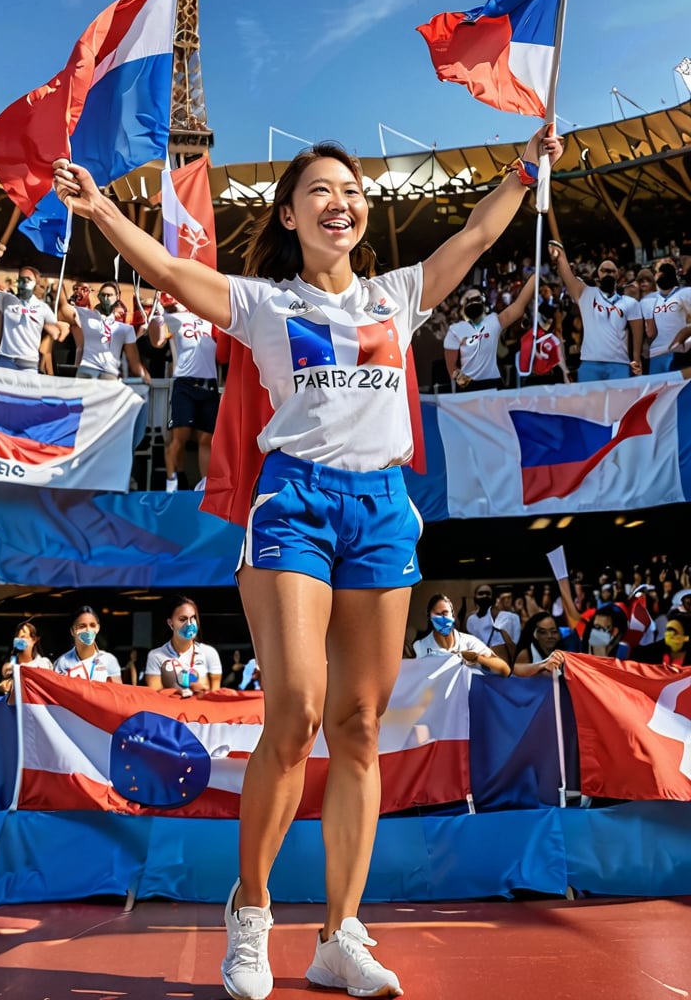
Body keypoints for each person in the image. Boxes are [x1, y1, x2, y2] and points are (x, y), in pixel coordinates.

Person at [53, 125, 562, 1000]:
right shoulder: (263, 304)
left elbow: (476, 234)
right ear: (289, 215)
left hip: (380, 512)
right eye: (322, 191)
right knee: (294, 712)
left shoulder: (397, 296)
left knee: (360, 727)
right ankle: (249, 917)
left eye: (353, 191)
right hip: (294, 504)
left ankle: (340, 937)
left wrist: (525, 169)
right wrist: (100, 209)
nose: (343, 202)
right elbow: (174, 276)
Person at [148, 294, 220, 491]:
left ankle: (205, 484)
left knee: (207, 439)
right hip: (185, 382)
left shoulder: (210, 318)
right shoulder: (174, 318)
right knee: (180, 437)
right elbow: (158, 341)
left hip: (209, 383)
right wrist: (157, 316)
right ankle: (171, 482)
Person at [548, 243, 643, 382]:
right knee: (590, 404)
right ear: (598, 274)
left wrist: (636, 359)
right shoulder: (585, 293)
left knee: (620, 404)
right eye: (604, 270)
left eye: (611, 271)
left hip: (619, 364)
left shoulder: (630, 302)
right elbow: (567, 275)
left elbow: (637, 332)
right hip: (589, 363)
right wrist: (559, 254)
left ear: (618, 274)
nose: (608, 273)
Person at [443, 272, 537, 392]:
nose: (473, 302)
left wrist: (535, 276)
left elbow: (519, 305)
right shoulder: (455, 330)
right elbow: (451, 366)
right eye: (469, 299)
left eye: (476, 299)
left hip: (493, 384)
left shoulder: (493, 321)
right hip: (469, 387)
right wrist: (463, 381)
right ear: (462, 304)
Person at [0, 242, 62, 370]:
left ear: (36, 283)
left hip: (28, 364)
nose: (23, 283)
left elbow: (56, 332)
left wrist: (59, 329)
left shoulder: (43, 308)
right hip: (5, 360)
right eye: (21, 279)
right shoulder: (7, 300)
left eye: (27, 280)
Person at [57, 280, 150, 382]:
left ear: (117, 297)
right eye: (103, 295)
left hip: (109, 372)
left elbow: (134, 360)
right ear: (99, 297)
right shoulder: (87, 316)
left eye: (109, 295)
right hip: (88, 370)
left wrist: (144, 376)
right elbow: (65, 310)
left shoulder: (125, 328)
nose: (106, 298)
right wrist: (68, 292)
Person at [412, 594, 510, 675]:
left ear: (453, 615)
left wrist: (477, 658)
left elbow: (504, 670)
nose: (442, 618)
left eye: (445, 613)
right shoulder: (420, 647)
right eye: (437, 614)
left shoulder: (469, 642)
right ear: (429, 616)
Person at [143, 596, 223, 694]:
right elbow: (155, 696)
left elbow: (216, 695)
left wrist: (203, 691)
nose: (189, 624)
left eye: (193, 618)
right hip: (170, 708)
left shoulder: (209, 652)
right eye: (182, 619)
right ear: (170, 623)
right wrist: (178, 692)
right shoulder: (155, 656)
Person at [642, 260, 691, 374]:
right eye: (659, 272)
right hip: (655, 354)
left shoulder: (686, 293)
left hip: (680, 353)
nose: (662, 275)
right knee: (659, 391)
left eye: (666, 272)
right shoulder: (646, 300)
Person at [53, 605, 122, 683]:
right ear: (72, 630)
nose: (88, 630)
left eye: (92, 625)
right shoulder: (62, 663)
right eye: (82, 626)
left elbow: (117, 692)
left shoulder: (108, 660)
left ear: (97, 628)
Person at [0, 619, 53, 695]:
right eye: (17, 637)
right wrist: (1, 688)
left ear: (34, 639)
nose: (19, 640)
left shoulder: (43, 664)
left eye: (23, 637)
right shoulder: (8, 667)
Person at [512, 611, 568, 677]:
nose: (549, 636)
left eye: (554, 631)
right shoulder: (525, 655)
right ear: (535, 635)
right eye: (543, 632)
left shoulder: (564, 653)